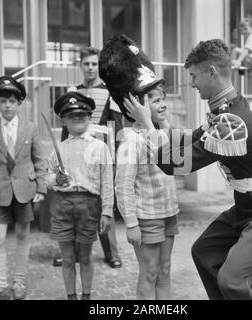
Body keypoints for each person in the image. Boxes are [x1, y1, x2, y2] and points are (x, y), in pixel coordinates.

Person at [123, 39, 252, 300]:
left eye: (194, 76)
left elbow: (175, 164)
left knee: (234, 281)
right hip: (248, 204)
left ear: (212, 72)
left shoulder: (232, 121)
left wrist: (147, 126)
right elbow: (189, 142)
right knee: (205, 252)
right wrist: (161, 123)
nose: (192, 83)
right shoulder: (224, 111)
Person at [99, 35, 180, 300]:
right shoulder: (130, 139)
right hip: (146, 217)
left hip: (169, 212)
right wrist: (131, 223)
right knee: (149, 273)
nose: (163, 104)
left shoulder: (163, 132)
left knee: (165, 270)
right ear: (135, 106)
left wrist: (164, 127)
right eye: (154, 100)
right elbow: (122, 186)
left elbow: (178, 163)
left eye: (163, 97)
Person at [55, 47, 123, 269]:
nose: (91, 68)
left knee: (104, 199)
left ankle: (111, 252)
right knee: (76, 198)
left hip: (101, 151)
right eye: (87, 64)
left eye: (94, 64)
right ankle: (72, 250)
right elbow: (66, 128)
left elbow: (115, 125)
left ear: (99, 66)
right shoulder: (73, 90)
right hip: (76, 152)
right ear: (80, 65)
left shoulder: (110, 91)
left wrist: (115, 157)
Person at [0, 76, 46, 300]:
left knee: (22, 233)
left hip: (25, 190)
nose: (8, 105)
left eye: (12, 101)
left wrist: (41, 187)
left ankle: (19, 282)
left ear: (19, 104)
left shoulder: (31, 128)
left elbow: (39, 161)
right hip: (0, 191)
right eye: (3, 101)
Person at [46, 91, 113, 300]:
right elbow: (46, 177)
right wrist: (57, 180)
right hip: (62, 204)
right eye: (71, 116)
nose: (77, 119)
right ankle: (71, 296)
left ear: (89, 118)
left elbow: (107, 182)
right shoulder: (58, 149)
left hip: (89, 205)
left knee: (85, 257)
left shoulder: (100, 147)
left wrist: (107, 211)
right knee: (67, 258)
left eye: (81, 116)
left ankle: (86, 296)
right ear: (63, 121)